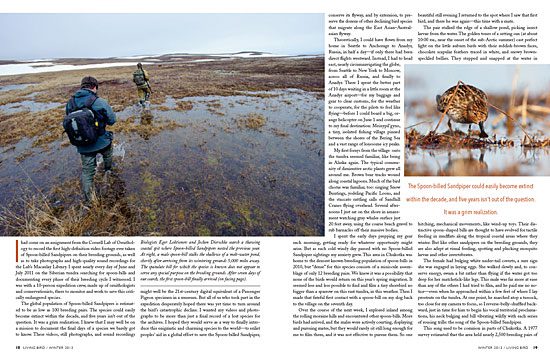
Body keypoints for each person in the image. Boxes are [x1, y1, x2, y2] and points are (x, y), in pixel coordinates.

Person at [65, 76, 117, 203]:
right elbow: (112, 120)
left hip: (82, 144)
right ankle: (108, 171)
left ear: (82, 86)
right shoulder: (99, 101)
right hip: (102, 141)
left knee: (87, 173)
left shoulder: (70, 103)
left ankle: (89, 201)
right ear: (94, 87)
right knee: (108, 154)